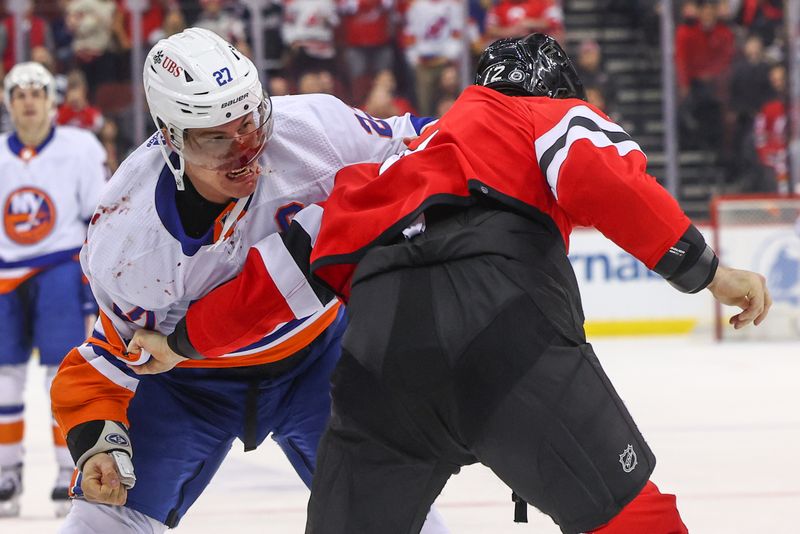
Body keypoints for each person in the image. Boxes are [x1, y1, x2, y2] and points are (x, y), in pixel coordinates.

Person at [133, 34, 771, 534]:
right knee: (631, 518)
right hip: (499, 317)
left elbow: (289, 272)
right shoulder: (539, 114)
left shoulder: (392, 164)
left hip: (379, 355)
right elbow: (595, 175)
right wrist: (706, 271)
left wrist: (184, 340)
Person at [50, 27, 448, 534]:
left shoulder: (313, 128)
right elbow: (112, 351)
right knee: (101, 520)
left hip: (320, 359)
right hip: (188, 386)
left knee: (401, 514)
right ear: (171, 138)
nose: (246, 151)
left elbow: (422, 143)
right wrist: (97, 438)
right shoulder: (127, 238)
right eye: (217, 138)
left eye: (251, 123)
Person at [0, 62, 107, 518]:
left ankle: (68, 471)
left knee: (61, 376)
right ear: (9, 101)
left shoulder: (79, 147)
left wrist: (91, 286)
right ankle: (7, 473)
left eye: (36, 92)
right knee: (4, 379)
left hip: (59, 269)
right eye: (19, 92)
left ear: (51, 100)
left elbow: (98, 219)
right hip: (4, 274)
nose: (28, 100)